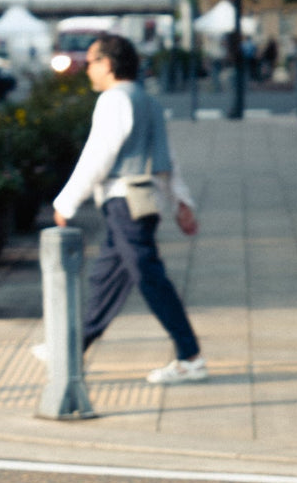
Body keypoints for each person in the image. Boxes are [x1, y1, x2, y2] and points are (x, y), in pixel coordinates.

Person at [51, 33, 206, 385]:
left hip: (124, 201)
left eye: (91, 62)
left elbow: (98, 155)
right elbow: (168, 159)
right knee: (105, 278)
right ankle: (71, 347)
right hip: (143, 200)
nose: (88, 69)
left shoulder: (113, 99)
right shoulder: (147, 101)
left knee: (151, 280)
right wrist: (181, 201)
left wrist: (67, 201)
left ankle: (190, 355)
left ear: (108, 64)